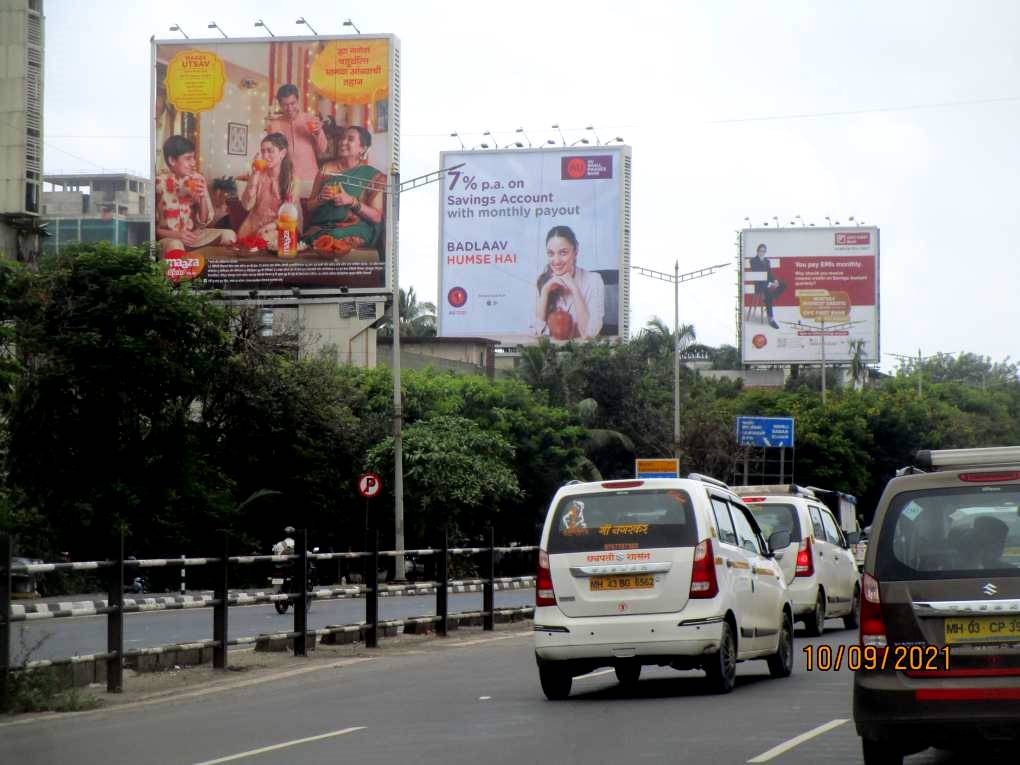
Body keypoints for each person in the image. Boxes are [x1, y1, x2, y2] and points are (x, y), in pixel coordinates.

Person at [302, 126, 386, 251]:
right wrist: (320, 199)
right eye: (342, 138)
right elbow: (309, 206)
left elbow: (376, 217)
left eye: (350, 139)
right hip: (321, 227)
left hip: (355, 228)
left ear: (362, 149)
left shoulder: (372, 176)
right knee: (309, 239)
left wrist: (352, 201)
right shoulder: (325, 170)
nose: (343, 142)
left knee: (332, 238)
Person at [155, 135, 236, 256]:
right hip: (170, 239)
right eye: (188, 158)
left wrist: (202, 197)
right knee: (175, 245)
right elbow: (151, 229)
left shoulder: (198, 179)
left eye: (193, 158)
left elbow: (203, 222)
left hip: (194, 237)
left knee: (229, 235)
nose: (193, 163)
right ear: (172, 160)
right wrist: (177, 235)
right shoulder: (158, 183)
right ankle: (180, 271)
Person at [534, 225, 604, 340]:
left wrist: (574, 288)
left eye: (563, 253)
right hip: (551, 353)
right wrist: (545, 291)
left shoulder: (594, 281)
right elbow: (537, 332)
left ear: (575, 252)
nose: (556, 261)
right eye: (551, 254)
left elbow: (589, 334)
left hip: (583, 353)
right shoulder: (543, 282)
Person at [264, 83, 328, 200]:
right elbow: (270, 156)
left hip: (311, 179)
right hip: (286, 181)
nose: (289, 108)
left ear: (298, 101)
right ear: (280, 104)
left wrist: (319, 133)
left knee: (311, 214)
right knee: (289, 216)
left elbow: (322, 149)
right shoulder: (274, 125)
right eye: (285, 105)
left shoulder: (310, 119)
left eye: (292, 103)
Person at [238, 133, 299, 242]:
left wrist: (270, 227)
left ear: (283, 153)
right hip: (252, 226)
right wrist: (255, 175)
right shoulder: (258, 175)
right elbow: (247, 206)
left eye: (270, 151)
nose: (265, 156)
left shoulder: (292, 180)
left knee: (264, 239)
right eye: (263, 151)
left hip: (278, 228)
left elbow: (290, 215)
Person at [749, 243, 785, 329]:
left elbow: (770, 274)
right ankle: (771, 319)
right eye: (761, 251)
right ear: (757, 251)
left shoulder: (767, 261)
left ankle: (769, 299)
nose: (762, 253)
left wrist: (775, 281)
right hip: (759, 284)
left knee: (783, 284)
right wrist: (770, 284)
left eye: (764, 251)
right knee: (768, 292)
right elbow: (758, 275)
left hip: (767, 284)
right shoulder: (753, 261)